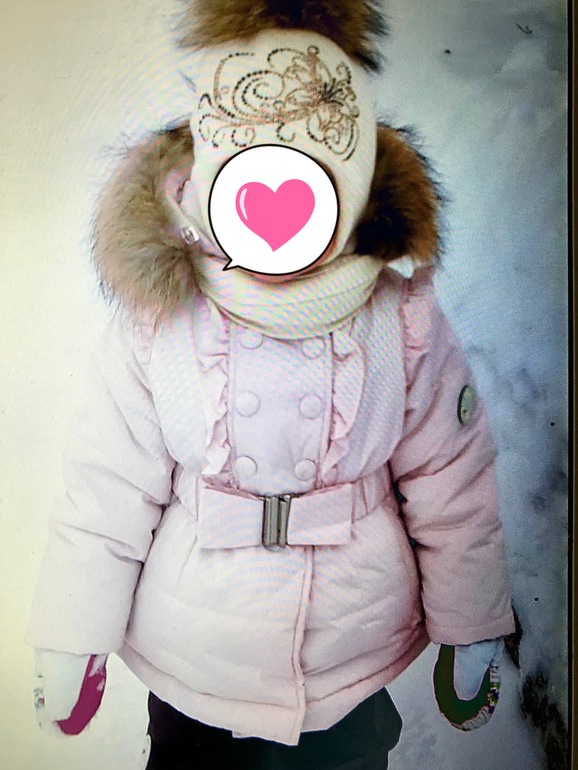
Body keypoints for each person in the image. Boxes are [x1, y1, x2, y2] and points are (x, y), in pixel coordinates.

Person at [28, 1, 515, 767]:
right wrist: (72, 633)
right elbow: (106, 488)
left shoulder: (399, 321)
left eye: (311, 186)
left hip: (346, 659)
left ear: (351, 189)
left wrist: (471, 622)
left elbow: (451, 483)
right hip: (196, 656)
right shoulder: (164, 318)